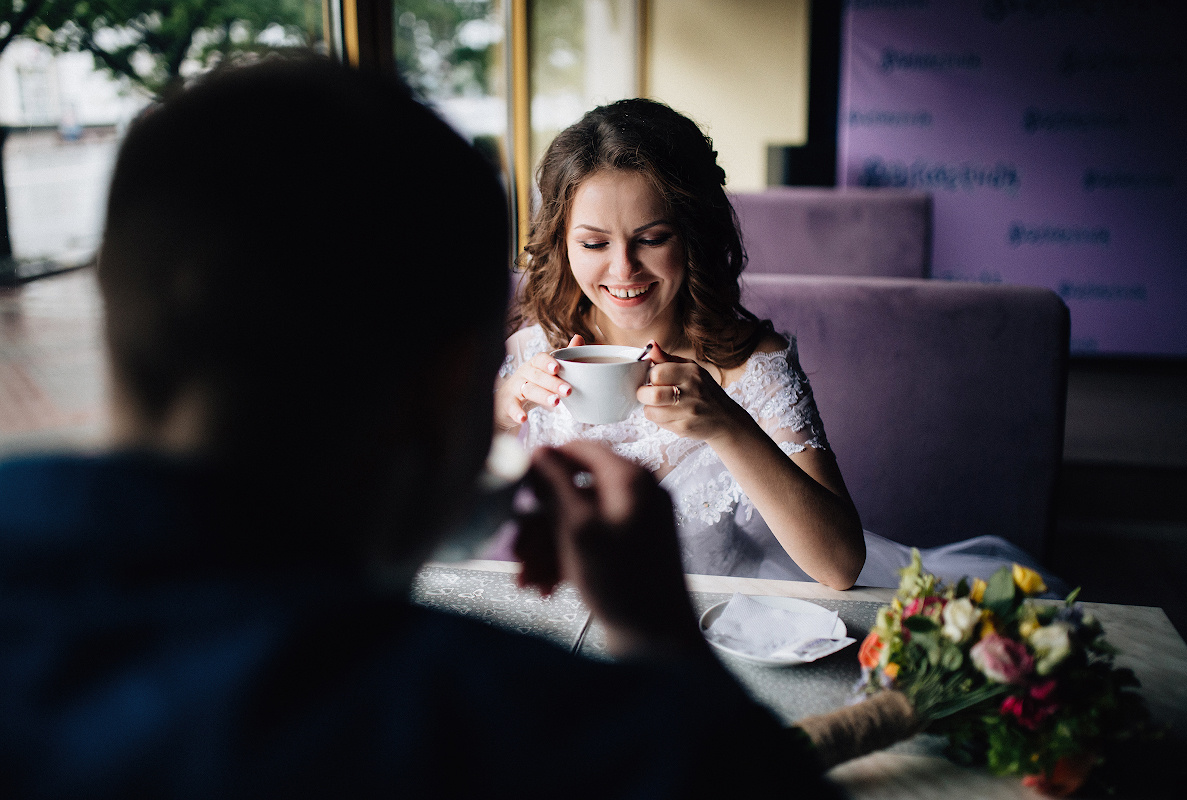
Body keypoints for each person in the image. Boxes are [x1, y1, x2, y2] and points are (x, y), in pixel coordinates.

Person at [0, 59, 837, 797]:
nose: (622, 268)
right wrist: (659, 644)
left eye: (650, 239)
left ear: (113, 297)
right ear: (454, 387)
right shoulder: (512, 725)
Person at [495, 98, 1065, 597]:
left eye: (652, 239)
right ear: (563, 242)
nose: (623, 269)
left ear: (693, 235)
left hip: (727, 622)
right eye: (594, 243)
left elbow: (841, 566)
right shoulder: (531, 354)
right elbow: (433, 513)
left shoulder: (755, 363)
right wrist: (497, 411)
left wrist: (727, 424)